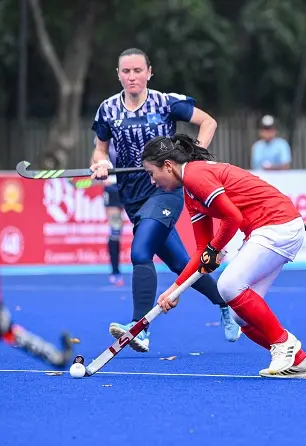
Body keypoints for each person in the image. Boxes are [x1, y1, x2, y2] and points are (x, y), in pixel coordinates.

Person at [90, 48, 240, 351]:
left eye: (137, 71)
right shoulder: (107, 110)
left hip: (166, 190)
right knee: (182, 264)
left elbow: (208, 122)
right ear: (118, 75)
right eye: (126, 71)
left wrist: (192, 157)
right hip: (131, 195)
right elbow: (100, 149)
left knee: (140, 251)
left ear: (149, 72)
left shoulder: (166, 102)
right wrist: (100, 163)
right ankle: (226, 303)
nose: (132, 77)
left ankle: (139, 328)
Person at [144, 134, 306, 378]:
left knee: (228, 285)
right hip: (265, 230)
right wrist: (174, 290)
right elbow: (202, 251)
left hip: (277, 225)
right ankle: (300, 361)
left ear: (168, 166)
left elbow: (232, 218)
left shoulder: (195, 175)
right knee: (239, 315)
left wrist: (215, 249)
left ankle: (285, 344)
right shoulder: (190, 194)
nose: (152, 181)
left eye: (152, 173)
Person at [100, 138, 125, 286]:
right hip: (112, 189)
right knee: (115, 230)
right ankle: (115, 271)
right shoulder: (103, 137)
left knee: (143, 226)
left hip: (131, 186)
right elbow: (95, 156)